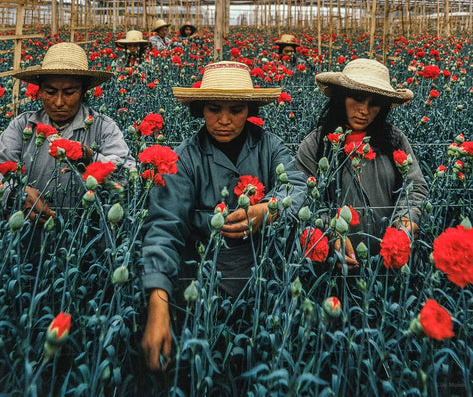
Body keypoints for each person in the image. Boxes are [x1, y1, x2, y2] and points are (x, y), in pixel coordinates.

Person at [141, 60, 308, 371]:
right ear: (201, 108)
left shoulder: (270, 147)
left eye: (236, 110)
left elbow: (297, 186)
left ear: (250, 110)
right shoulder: (185, 159)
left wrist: (269, 209)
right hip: (201, 292)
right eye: (214, 108)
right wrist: (158, 305)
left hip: (265, 290)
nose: (224, 120)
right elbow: (163, 229)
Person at [296, 58, 428, 269]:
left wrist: (406, 219)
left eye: (374, 103)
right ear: (341, 97)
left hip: (388, 265)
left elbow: (415, 187)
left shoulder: (394, 139)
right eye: (357, 98)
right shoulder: (315, 144)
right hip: (334, 267)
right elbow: (302, 198)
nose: (364, 110)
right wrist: (331, 236)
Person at [0, 42, 135, 221]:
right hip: (28, 234)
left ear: (83, 91)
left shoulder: (103, 127)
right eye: (50, 91)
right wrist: (17, 193)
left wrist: (90, 157)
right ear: (39, 91)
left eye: (69, 92)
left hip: (84, 234)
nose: (58, 102)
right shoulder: (22, 126)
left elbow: (128, 176)